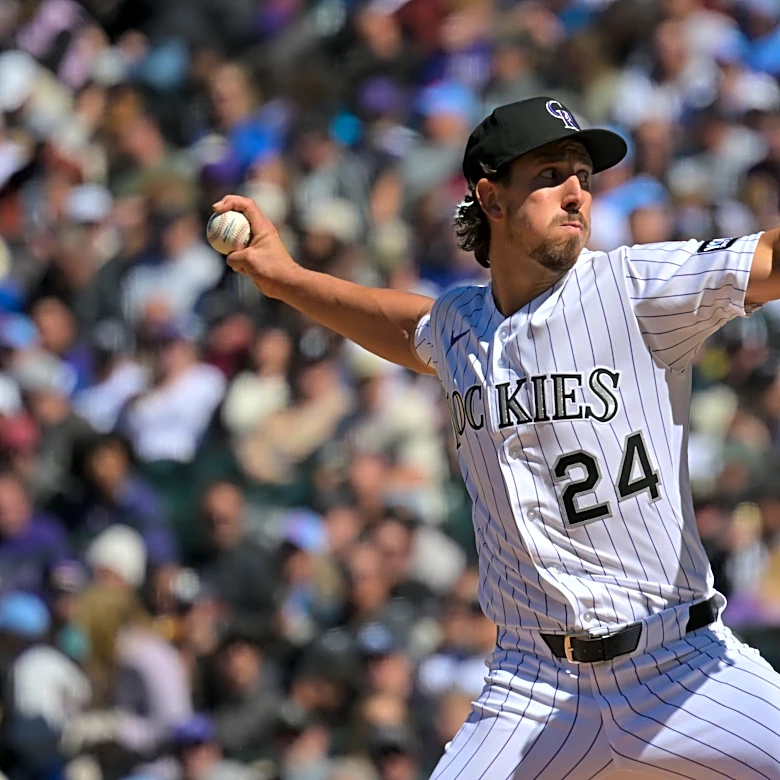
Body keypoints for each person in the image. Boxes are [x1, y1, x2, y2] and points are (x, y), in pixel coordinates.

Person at [213, 95, 780, 778]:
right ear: (491, 197)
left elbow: (770, 260)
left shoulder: (634, 288)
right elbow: (404, 326)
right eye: (550, 175)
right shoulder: (460, 325)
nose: (576, 192)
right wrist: (287, 280)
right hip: (533, 686)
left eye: (582, 175)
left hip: (680, 665)